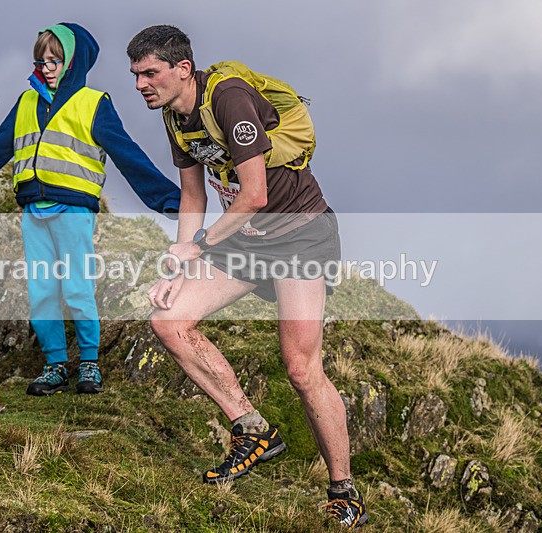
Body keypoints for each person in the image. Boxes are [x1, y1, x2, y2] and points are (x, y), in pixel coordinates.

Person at [127, 25, 368, 528]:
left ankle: (344, 490)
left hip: (299, 237)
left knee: (301, 369)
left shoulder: (230, 98)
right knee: (169, 319)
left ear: (182, 69)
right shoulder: (176, 117)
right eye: (135, 75)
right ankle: (252, 429)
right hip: (244, 241)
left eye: (149, 73)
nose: (140, 84)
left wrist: (201, 245)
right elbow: (193, 196)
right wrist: (181, 261)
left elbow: (255, 193)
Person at [0, 23, 181, 396]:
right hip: (33, 211)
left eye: (55, 60)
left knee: (77, 288)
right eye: (41, 60)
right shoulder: (26, 103)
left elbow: (130, 158)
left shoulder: (94, 104)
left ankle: (90, 364)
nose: (46, 67)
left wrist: (172, 202)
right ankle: (55, 365)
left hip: (74, 211)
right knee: (41, 291)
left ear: (74, 62)